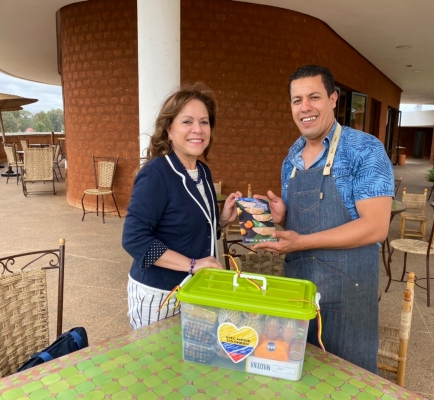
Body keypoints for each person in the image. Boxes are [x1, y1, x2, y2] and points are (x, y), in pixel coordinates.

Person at [253, 65, 394, 374]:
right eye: (296, 100)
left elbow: (375, 226)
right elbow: (302, 224)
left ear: (333, 99)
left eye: (314, 97)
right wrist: (282, 217)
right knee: (300, 375)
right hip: (299, 291)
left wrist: (301, 241)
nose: (305, 107)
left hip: (349, 293)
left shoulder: (364, 149)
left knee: (348, 381)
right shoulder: (291, 157)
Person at [122, 83, 241, 329]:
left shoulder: (202, 171)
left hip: (196, 292)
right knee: (158, 366)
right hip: (161, 295)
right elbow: (134, 239)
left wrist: (221, 220)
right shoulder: (157, 174)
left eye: (204, 122)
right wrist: (193, 265)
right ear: (169, 130)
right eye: (187, 122)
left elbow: (186, 226)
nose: (198, 130)